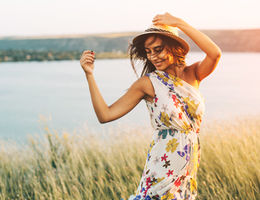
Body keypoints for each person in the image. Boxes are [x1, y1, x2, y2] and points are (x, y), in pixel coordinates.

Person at [80, 12, 221, 200]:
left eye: (158, 49)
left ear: (173, 47)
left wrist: (179, 23)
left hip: (188, 169)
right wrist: (89, 75)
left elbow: (215, 53)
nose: (153, 57)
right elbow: (105, 115)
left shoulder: (193, 74)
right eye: (149, 51)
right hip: (162, 167)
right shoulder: (148, 83)